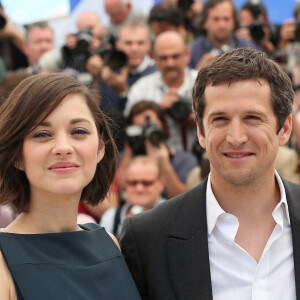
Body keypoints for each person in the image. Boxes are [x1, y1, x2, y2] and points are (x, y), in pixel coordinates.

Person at [120, 47, 299, 299]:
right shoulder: (147, 239)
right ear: (201, 132)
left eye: (252, 117)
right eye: (220, 119)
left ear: (284, 128)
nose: (236, 138)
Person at [0, 73, 141, 299]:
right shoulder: (2, 259)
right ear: (16, 155)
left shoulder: (111, 243)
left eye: (79, 132)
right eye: (42, 134)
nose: (63, 148)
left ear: (100, 148)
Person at [124, 30, 198, 151]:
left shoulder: (204, 83)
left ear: (187, 54)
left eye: (175, 56)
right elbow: (131, 131)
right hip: (153, 159)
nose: (170, 63)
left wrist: (197, 118)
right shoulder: (140, 89)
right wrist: (157, 111)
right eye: (163, 58)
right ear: (154, 58)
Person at [120, 100, 198, 198]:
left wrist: (164, 162)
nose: (146, 133)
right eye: (140, 128)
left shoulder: (184, 159)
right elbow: (117, 196)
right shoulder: (124, 158)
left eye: (151, 126)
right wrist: (128, 153)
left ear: (164, 128)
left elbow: (185, 200)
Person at [86, 21, 156, 112]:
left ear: (149, 45)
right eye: (128, 43)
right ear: (117, 45)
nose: (134, 48)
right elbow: (97, 111)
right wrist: (96, 80)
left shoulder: (157, 73)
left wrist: (123, 91)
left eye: (140, 43)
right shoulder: (108, 72)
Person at [101, 155, 166, 236]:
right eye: (133, 183)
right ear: (125, 183)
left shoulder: (173, 214)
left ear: (161, 183)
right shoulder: (111, 217)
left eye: (146, 183)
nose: (139, 188)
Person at [189, 0, 259, 70]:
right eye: (216, 19)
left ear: (234, 22)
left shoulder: (249, 49)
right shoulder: (191, 51)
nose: (221, 25)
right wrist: (197, 73)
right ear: (204, 22)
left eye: (226, 19)